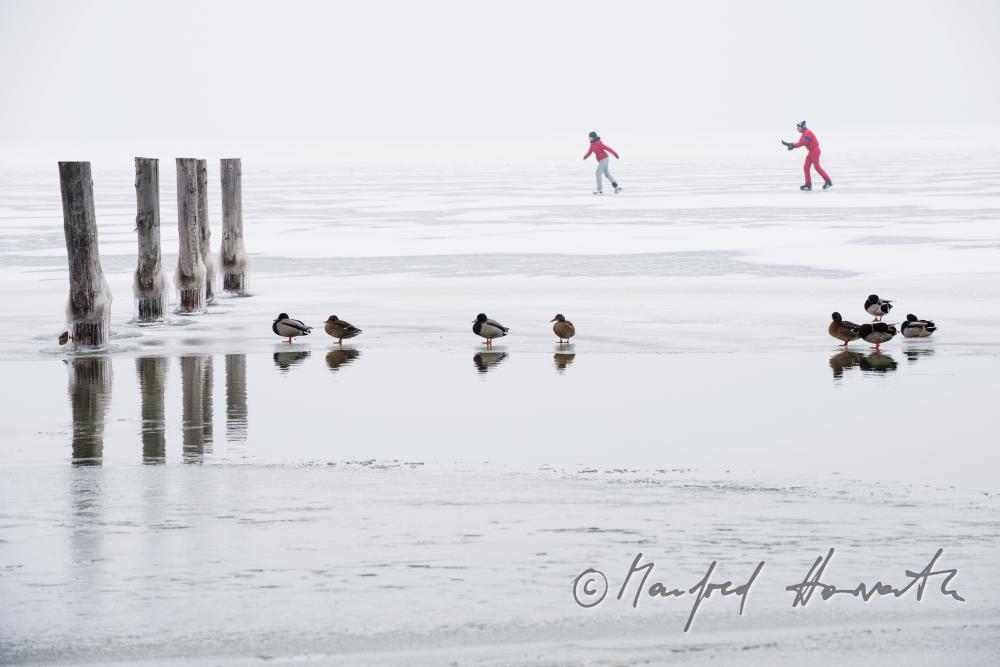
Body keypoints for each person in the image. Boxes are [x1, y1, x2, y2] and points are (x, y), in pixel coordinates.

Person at [782, 121, 832, 191]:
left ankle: (828, 181)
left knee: (817, 167)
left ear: (802, 127)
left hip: (815, 151)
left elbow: (803, 143)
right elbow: (799, 142)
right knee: (806, 167)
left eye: (798, 127)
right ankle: (808, 184)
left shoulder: (808, 133)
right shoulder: (804, 134)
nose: (797, 129)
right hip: (811, 152)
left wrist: (793, 145)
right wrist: (791, 144)